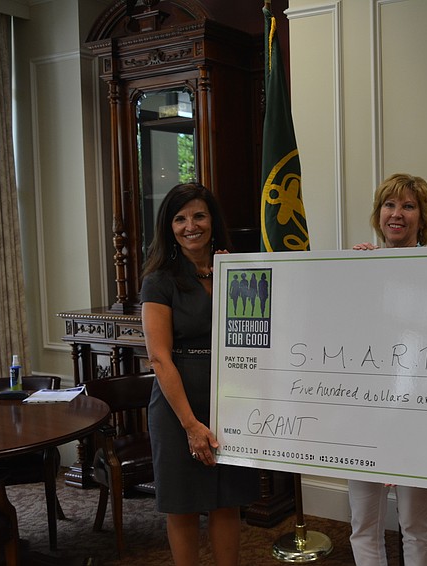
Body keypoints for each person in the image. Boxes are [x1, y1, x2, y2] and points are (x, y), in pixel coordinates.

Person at [141, 182, 260, 566]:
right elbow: (159, 358)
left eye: (198, 215)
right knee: (184, 505)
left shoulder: (239, 270)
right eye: (179, 218)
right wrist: (191, 424)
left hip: (232, 400)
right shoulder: (159, 280)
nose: (190, 225)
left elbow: (259, 336)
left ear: (212, 220)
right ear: (169, 227)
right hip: (179, 406)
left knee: (228, 500)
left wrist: (235, 276)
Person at [349, 173, 427, 566]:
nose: (396, 214)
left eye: (407, 206)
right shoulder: (359, 267)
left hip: (419, 413)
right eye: (389, 205)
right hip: (363, 413)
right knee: (363, 524)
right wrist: (355, 273)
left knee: (416, 526)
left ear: (422, 217)